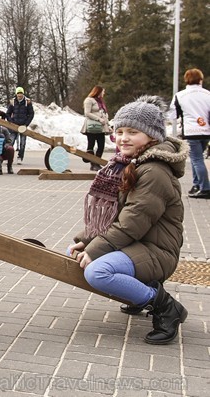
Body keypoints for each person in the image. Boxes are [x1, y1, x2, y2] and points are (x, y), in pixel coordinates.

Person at [68, 95, 188, 345]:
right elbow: (117, 216)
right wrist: (86, 241)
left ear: (152, 136)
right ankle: (140, 293)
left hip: (157, 251)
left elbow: (132, 223)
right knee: (75, 252)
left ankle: (165, 306)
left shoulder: (154, 171)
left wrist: (96, 248)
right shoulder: (129, 164)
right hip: (138, 243)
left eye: (132, 132)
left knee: (97, 272)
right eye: (119, 131)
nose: (123, 138)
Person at [168, 68, 210, 199]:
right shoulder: (208, 94)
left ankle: (205, 188)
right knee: (197, 159)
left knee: (197, 160)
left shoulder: (180, 96)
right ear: (200, 80)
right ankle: (196, 184)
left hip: (191, 131)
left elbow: (173, 114)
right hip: (206, 131)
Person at [81, 85, 111, 172]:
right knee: (91, 144)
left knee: (101, 145)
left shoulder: (100, 102)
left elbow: (104, 114)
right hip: (92, 127)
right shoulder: (89, 100)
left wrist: (108, 125)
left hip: (101, 127)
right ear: (98, 91)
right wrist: (98, 119)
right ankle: (92, 164)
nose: (104, 93)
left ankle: (97, 162)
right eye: (103, 91)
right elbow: (87, 113)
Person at [6, 86, 35, 165]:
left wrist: (26, 124)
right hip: (14, 125)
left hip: (23, 126)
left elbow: (31, 114)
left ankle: (20, 157)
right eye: (18, 94)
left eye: (21, 94)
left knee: (22, 143)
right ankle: (8, 157)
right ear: (16, 94)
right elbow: (8, 114)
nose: (19, 96)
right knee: (10, 142)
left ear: (23, 94)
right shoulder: (13, 102)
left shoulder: (27, 102)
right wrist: (11, 122)